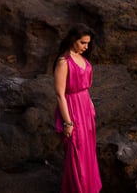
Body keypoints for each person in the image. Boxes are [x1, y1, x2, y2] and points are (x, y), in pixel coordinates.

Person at [53, 23, 102, 193]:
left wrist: (90, 105)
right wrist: (67, 122)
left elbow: (85, 87)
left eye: (88, 43)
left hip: (86, 109)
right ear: (73, 39)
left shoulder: (83, 58)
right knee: (76, 154)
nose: (86, 46)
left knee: (88, 152)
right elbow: (60, 94)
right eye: (82, 42)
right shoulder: (63, 62)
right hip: (72, 110)